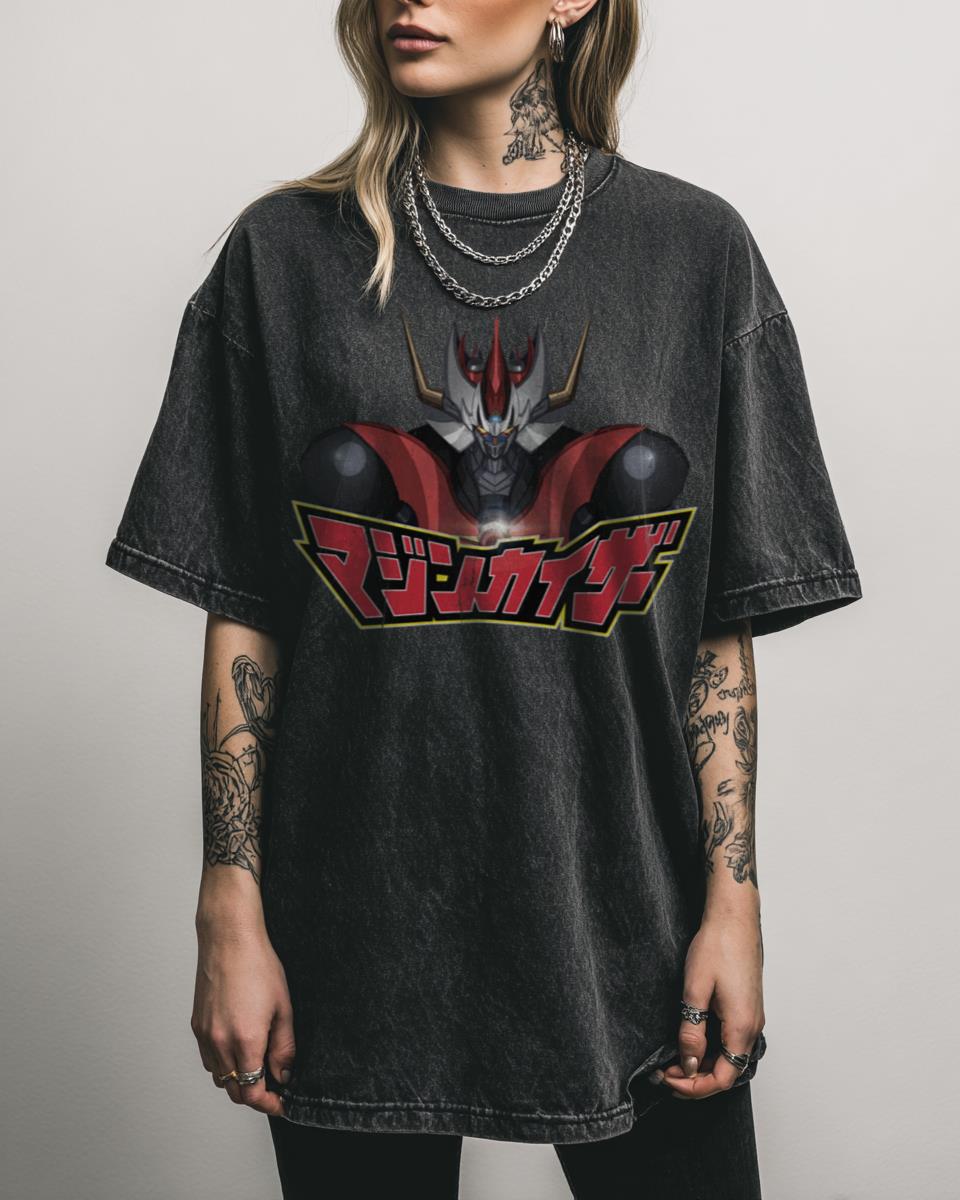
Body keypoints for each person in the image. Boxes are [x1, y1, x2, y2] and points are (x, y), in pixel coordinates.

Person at [104, 1, 863, 1196]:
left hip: (629, 921)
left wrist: (734, 901)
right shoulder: (284, 256)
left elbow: (714, 631)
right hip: (353, 928)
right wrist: (229, 905)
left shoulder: (693, 253)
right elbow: (246, 609)